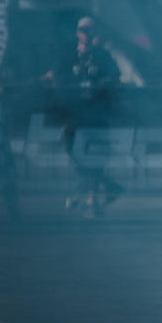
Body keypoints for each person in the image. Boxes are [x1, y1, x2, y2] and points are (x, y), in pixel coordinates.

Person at [42, 16, 123, 216]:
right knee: (75, 153)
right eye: (84, 31)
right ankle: (105, 186)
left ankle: (90, 199)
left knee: (95, 155)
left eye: (90, 31)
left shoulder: (103, 56)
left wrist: (105, 83)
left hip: (97, 113)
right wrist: (37, 81)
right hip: (74, 113)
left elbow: (115, 77)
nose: (87, 35)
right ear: (78, 33)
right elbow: (53, 74)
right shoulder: (68, 54)